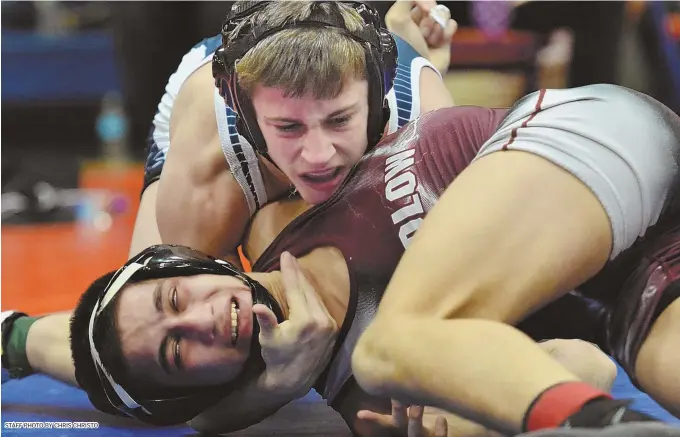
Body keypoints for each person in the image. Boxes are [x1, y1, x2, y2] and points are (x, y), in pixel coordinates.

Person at [69, 100, 671, 436]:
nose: (201, 321)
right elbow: (587, 364)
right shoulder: (371, 403)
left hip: (601, 142)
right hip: (642, 282)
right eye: (178, 353)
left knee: (389, 344)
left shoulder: (276, 218)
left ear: (195, 263)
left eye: (176, 299)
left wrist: (15, 337)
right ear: (202, 390)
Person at [1, 0, 458, 430]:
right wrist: (281, 382)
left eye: (339, 120)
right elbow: (191, 409)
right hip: (228, 149)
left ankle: (387, 63)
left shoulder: (426, 129)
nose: (318, 155)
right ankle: (13, 338)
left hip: (391, 115)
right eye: (288, 127)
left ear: (373, 100)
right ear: (249, 116)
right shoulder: (209, 177)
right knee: (141, 341)